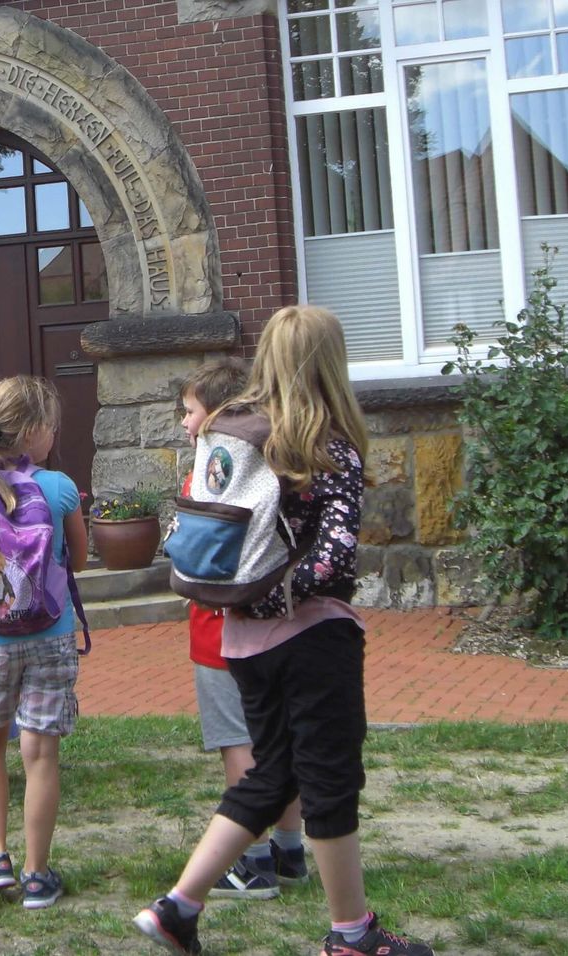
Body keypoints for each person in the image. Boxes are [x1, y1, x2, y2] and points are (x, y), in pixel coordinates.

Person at [133, 307, 432, 956]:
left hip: (238, 636)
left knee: (273, 774)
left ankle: (179, 906)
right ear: (331, 362)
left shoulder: (233, 430)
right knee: (328, 779)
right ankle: (352, 936)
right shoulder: (328, 445)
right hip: (311, 637)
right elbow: (337, 559)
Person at [0, 377, 87, 910]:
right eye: (51, 426)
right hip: (50, 636)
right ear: (32, 432)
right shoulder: (59, 488)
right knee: (40, 753)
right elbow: (76, 555)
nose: (54, 434)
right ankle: (36, 874)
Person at [178, 359, 308, 900]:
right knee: (278, 740)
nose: (185, 424)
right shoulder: (273, 462)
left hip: (218, 632)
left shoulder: (213, 469)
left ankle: (249, 862)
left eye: (190, 412)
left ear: (219, 412)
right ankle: (290, 847)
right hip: (279, 623)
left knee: (239, 743)